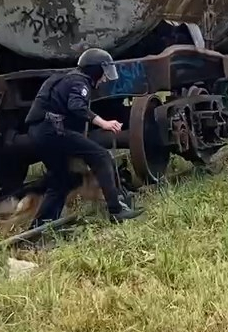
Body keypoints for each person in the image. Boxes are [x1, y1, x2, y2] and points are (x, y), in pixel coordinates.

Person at [22, 48, 140, 226]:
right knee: (101, 156)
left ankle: (42, 225)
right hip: (53, 130)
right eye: (103, 74)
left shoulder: (66, 77)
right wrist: (104, 123)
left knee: (61, 179)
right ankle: (117, 210)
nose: (104, 79)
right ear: (95, 70)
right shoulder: (80, 82)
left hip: (38, 132)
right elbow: (76, 106)